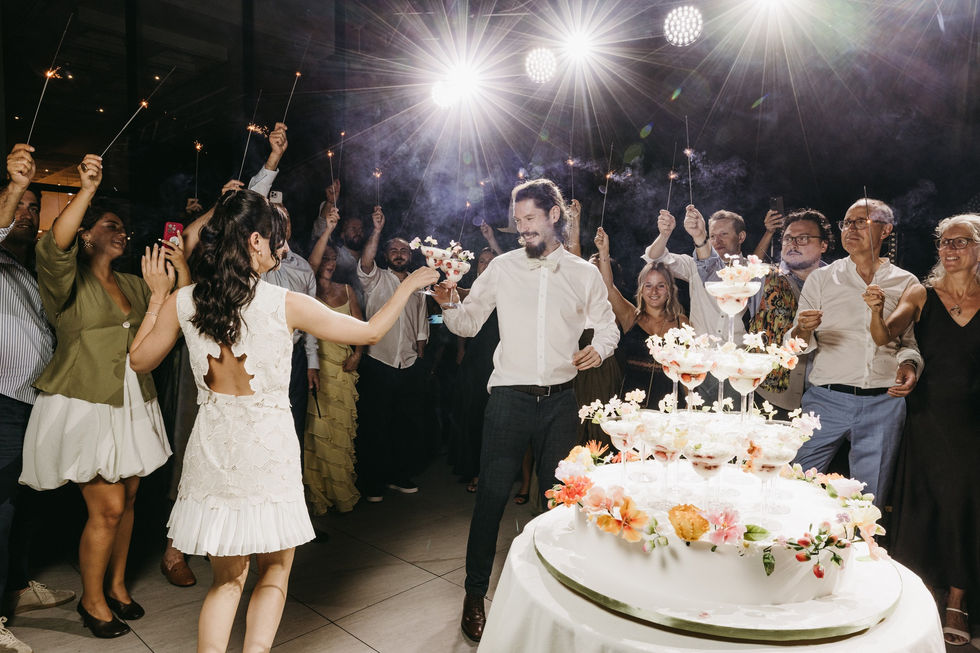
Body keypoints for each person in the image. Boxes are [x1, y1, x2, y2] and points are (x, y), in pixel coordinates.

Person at [127, 188, 437, 652]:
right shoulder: (283, 302)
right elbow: (369, 331)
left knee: (225, 583)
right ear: (254, 241)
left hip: (212, 454)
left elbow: (138, 361)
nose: (283, 248)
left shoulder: (184, 301)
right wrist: (412, 285)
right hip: (268, 453)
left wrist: (157, 297)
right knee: (273, 572)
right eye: (276, 238)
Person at [433, 178, 618, 642]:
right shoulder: (501, 268)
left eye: (530, 219)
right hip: (509, 401)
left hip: (561, 403)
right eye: (517, 222)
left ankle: (555, 598)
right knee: (491, 499)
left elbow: (608, 327)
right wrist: (448, 305)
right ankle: (475, 595)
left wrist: (598, 349)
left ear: (554, 215)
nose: (523, 230)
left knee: (558, 505)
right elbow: (469, 322)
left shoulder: (583, 273)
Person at [18, 154, 176, 638]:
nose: (121, 232)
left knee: (128, 498)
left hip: (133, 400)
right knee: (105, 507)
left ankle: (117, 585)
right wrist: (86, 189)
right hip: (85, 401)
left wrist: (168, 278)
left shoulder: (130, 281)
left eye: (124, 227)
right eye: (110, 225)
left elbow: (177, 304)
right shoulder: (63, 279)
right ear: (86, 234)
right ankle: (91, 600)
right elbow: (54, 243)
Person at [863, 214, 980, 646]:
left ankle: (957, 601)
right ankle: (921, 594)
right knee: (925, 501)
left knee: (966, 506)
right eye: (943, 243)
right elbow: (886, 336)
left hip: (975, 422)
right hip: (928, 416)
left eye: (961, 242)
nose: (949, 250)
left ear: (979, 247)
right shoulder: (922, 293)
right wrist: (877, 312)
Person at [789, 198, 922, 508]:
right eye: (847, 223)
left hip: (883, 404)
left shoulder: (906, 282)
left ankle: (859, 554)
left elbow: (908, 344)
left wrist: (910, 365)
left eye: (861, 222)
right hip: (824, 399)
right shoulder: (821, 279)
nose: (851, 229)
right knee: (794, 485)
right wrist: (803, 330)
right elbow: (792, 341)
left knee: (867, 504)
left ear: (886, 229)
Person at [0, 144, 75, 652]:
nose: (28, 213)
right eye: (22, 207)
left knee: (27, 501)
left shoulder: (25, 270)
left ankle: (17, 588)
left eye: (33, 208)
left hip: (34, 401)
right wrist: (16, 185)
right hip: (1, 401)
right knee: (0, 508)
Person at [354, 209, 429, 502]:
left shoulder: (418, 284)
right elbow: (366, 261)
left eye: (404, 250)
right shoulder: (375, 278)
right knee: (375, 425)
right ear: (386, 254)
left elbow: (421, 325)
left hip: (409, 364)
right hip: (378, 361)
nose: (399, 254)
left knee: (404, 425)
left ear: (410, 256)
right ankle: (373, 483)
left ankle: (400, 475)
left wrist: (420, 361)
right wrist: (376, 230)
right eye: (394, 250)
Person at [748, 209, 833, 417]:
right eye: (787, 238)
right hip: (770, 395)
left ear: (824, 245)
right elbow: (743, 273)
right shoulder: (764, 276)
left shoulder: (837, 281)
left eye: (803, 238)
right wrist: (768, 233)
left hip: (828, 396)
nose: (793, 244)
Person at [595, 227, 689, 407]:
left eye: (660, 286)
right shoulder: (631, 317)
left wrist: (690, 405)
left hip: (669, 405)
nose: (654, 291)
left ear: (669, 290)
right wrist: (604, 252)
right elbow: (607, 287)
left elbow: (687, 370)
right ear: (641, 290)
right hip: (632, 406)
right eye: (648, 285)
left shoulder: (681, 323)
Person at [304, 244, 364, 514]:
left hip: (342, 368)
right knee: (316, 437)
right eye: (324, 258)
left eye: (333, 258)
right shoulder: (306, 293)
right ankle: (319, 498)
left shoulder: (347, 290)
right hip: (315, 369)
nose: (329, 262)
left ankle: (341, 495)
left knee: (340, 435)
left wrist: (358, 355)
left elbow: (361, 328)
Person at [449, 247, 498, 495]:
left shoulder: (502, 289)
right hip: (474, 359)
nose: (486, 265)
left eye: (491, 261)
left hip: (497, 361)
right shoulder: (474, 290)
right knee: (469, 411)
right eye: (482, 261)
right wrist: (461, 350)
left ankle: (484, 472)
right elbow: (462, 315)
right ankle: (470, 467)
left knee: (489, 416)